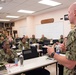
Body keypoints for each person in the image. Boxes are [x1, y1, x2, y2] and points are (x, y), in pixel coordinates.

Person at [45, 2, 76, 75]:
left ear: (75, 12)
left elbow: (71, 64)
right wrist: (67, 49)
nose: (68, 15)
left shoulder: (73, 33)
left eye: (69, 12)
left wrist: (52, 53)